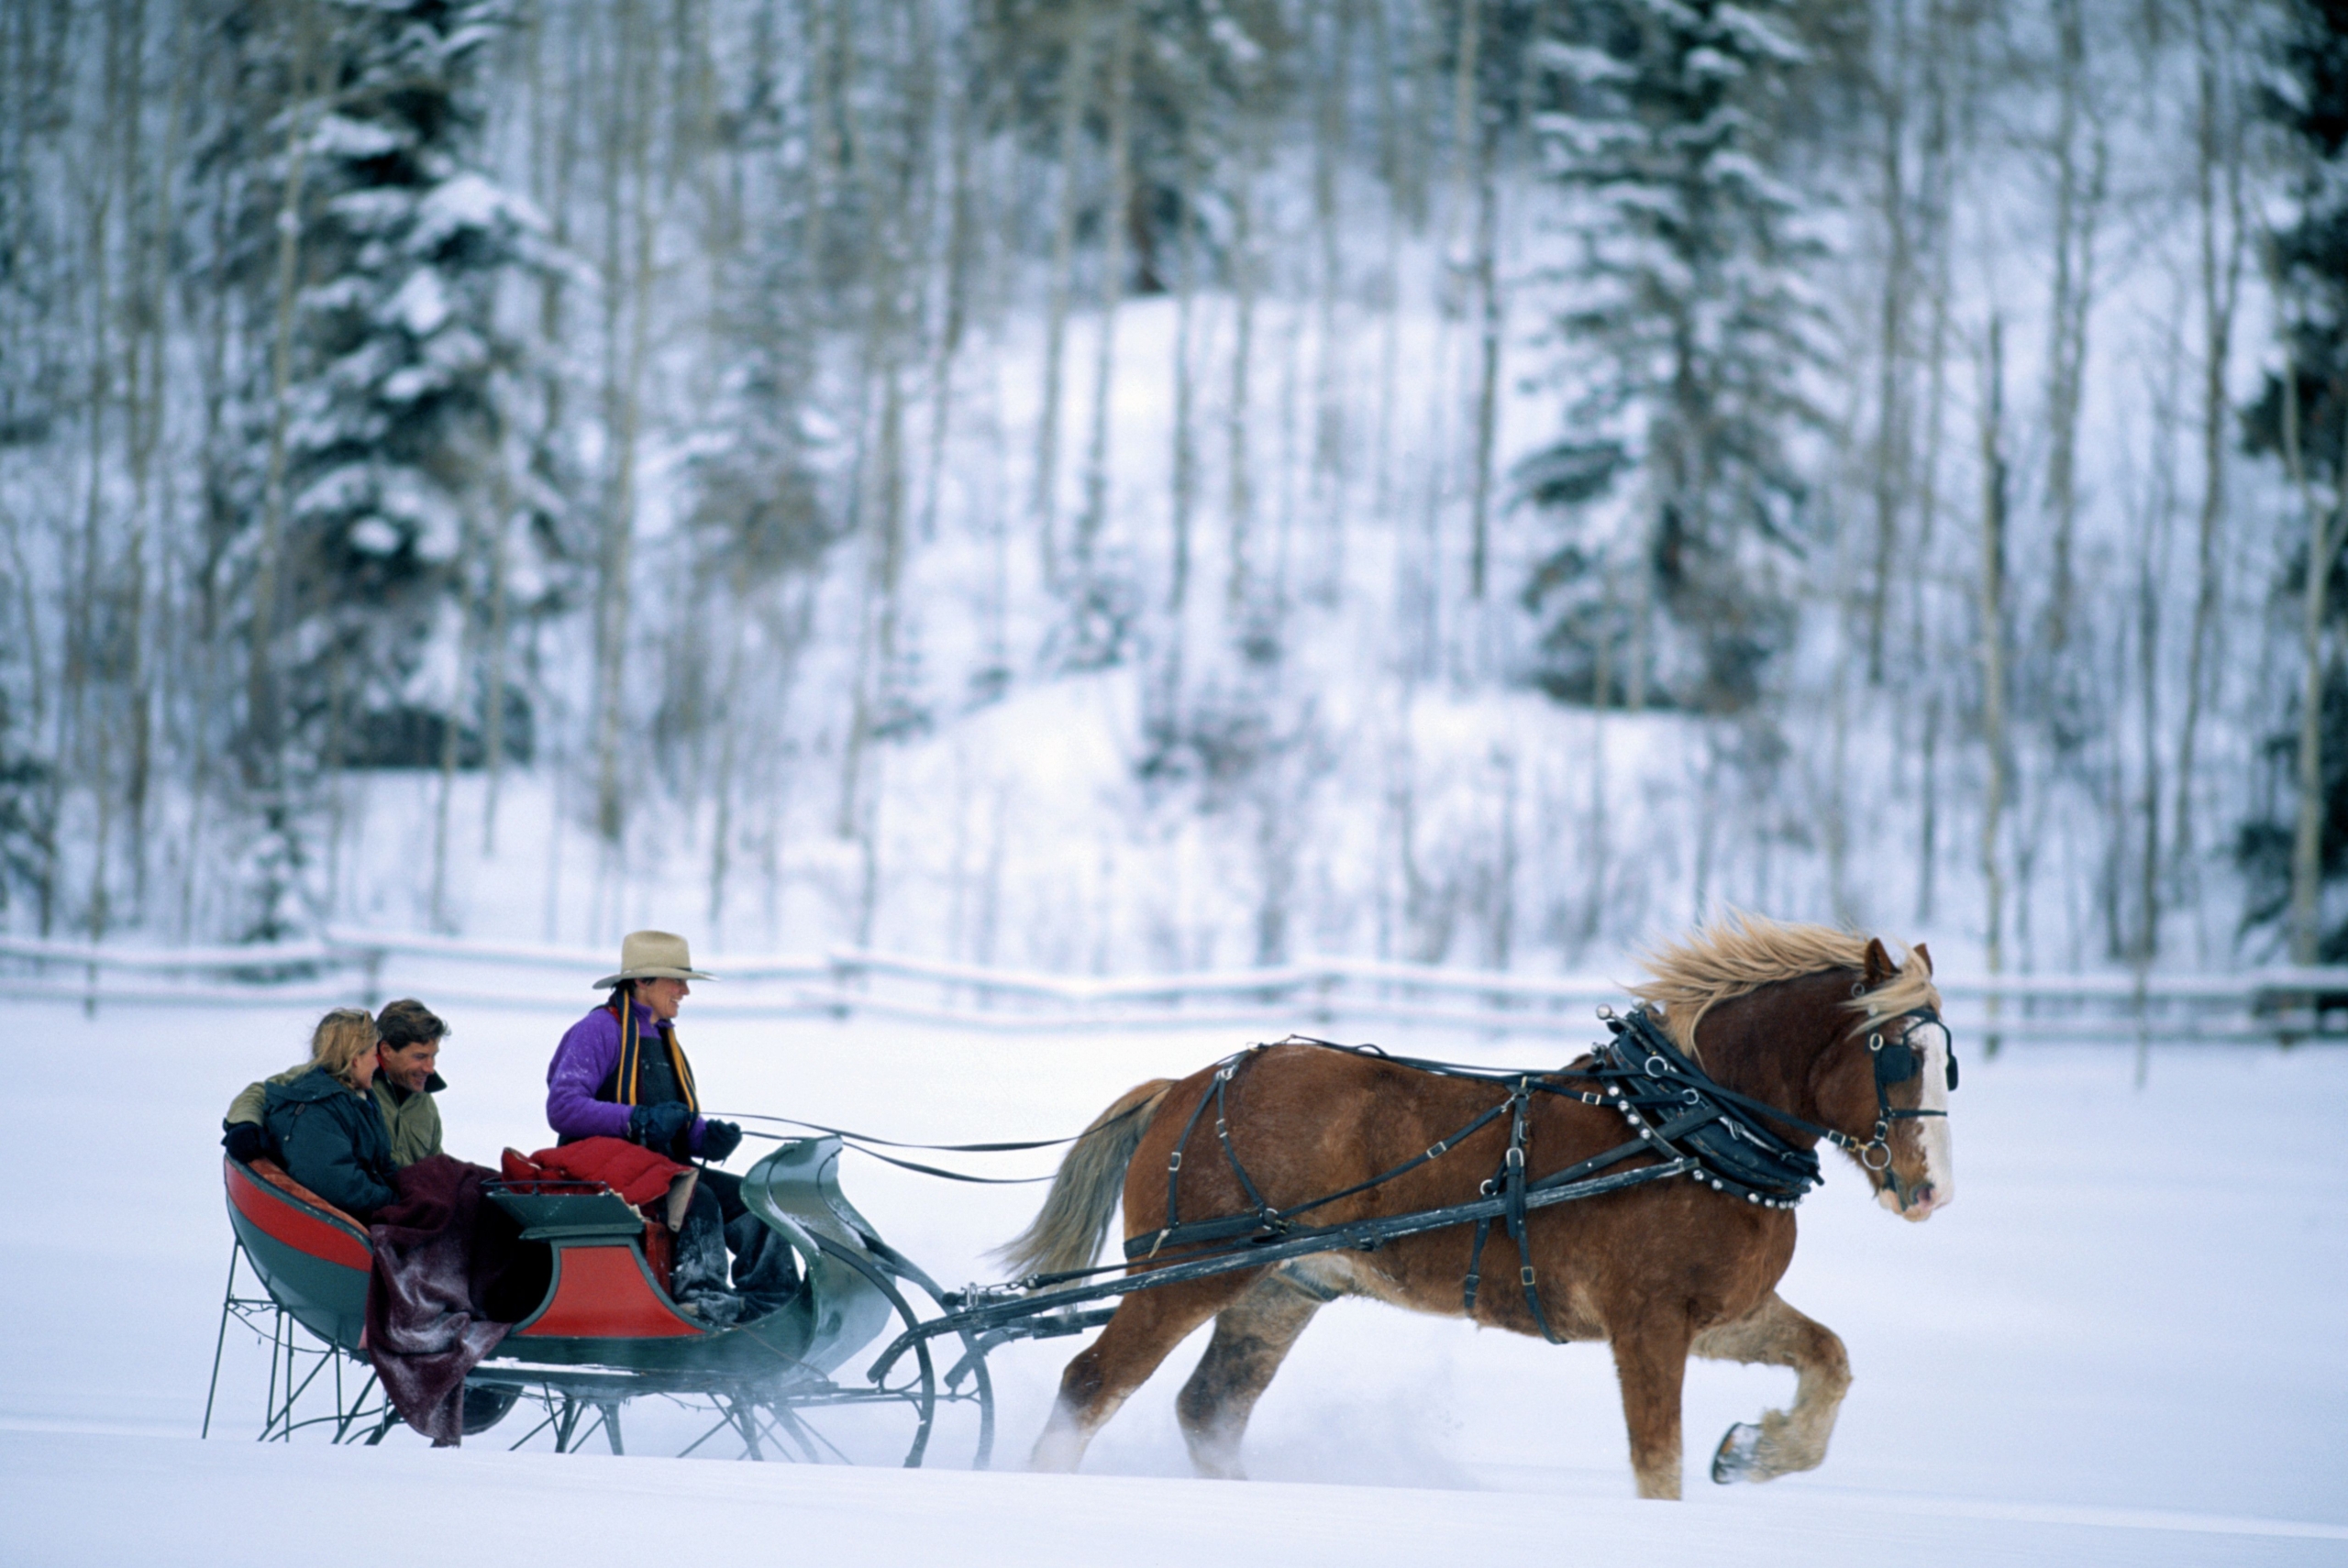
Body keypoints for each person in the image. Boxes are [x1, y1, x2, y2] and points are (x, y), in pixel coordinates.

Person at [547, 931, 789, 1320]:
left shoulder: (663, 1037)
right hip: (603, 1171)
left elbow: (674, 1117)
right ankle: (700, 1302)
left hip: (659, 1170)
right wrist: (637, 1119)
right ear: (642, 981)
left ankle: (773, 1300)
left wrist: (706, 1138)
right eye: (676, 980)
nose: (685, 991)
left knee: (753, 1197)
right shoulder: (597, 1030)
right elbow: (563, 1108)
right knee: (699, 1199)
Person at [222, 999, 449, 1167]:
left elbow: (435, 1167)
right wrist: (245, 1124)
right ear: (387, 1051)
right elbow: (260, 1092)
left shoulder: (426, 1106)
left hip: (397, 1217)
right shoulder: (341, 1076)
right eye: (419, 1057)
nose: (430, 1068)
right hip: (351, 1212)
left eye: (433, 1055)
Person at [260, 1009, 402, 1221]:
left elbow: (380, 1162)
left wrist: (409, 1188)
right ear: (355, 1058)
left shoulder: (360, 1098)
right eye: (374, 1055)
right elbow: (338, 1184)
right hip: (335, 1223)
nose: (377, 1063)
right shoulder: (315, 1110)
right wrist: (393, 1202)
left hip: (365, 1208)